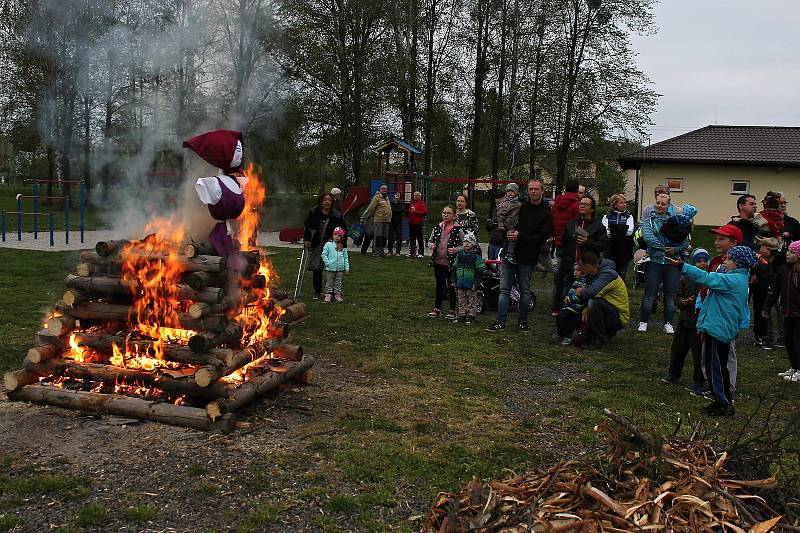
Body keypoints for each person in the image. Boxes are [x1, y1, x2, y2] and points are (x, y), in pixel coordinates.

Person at [668, 245, 758, 416]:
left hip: (719, 330)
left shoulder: (732, 281)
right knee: (713, 366)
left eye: (730, 259)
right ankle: (720, 400)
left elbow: (706, 278)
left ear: (739, 263)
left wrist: (683, 266)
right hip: (716, 328)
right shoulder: (734, 277)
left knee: (716, 367)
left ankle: (723, 404)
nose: (725, 260)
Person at [486, 179, 552, 332]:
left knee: (525, 291)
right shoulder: (521, 206)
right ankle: (500, 321)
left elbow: (542, 237)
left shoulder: (545, 212)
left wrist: (520, 236)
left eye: (536, 189)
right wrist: (501, 229)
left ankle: (522, 322)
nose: (533, 192)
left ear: (542, 190)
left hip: (528, 257)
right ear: (527, 191)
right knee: (504, 290)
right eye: (531, 189)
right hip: (510, 253)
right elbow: (507, 220)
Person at [183, 129, 248, 266]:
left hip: (233, 236)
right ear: (223, 153)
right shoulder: (212, 184)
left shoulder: (238, 181)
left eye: (240, 149)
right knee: (222, 265)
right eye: (236, 149)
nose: (240, 154)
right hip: (220, 238)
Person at [555, 250, 630, 349]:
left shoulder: (608, 274)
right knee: (579, 309)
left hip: (617, 316)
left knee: (593, 303)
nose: (583, 272)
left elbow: (590, 292)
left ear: (589, 266)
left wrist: (580, 291)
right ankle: (586, 334)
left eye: (583, 268)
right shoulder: (595, 273)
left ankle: (599, 339)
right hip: (606, 309)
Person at [637, 193, 689, 334]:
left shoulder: (676, 221)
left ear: (668, 205)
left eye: (663, 204)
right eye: (658, 203)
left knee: (671, 294)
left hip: (672, 263)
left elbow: (685, 241)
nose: (660, 205)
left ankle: (668, 323)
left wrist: (676, 249)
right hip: (654, 261)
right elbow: (648, 238)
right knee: (650, 293)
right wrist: (666, 248)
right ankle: (643, 321)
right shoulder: (649, 220)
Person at [662, 248, 710, 394]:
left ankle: (698, 380)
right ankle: (673, 373)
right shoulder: (685, 279)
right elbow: (676, 298)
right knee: (677, 348)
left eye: (704, 261)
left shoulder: (709, 279)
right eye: (698, 261)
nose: (702, 264)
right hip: (684, 320)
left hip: (699, 322)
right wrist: (683, 302)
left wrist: (696, 301)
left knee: (698, 353)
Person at [765, 239, 800, 383]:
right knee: (788, 340)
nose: (788, 253)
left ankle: (799, 370)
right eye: (788, 250)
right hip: (788, 311)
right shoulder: (783, 270)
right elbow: (775, 289)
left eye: (792, 252)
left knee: (798, 341)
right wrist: (767, 306)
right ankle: (794, 367)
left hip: (799, 313)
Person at [304, 193, 347, 299]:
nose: (327, 202)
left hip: (332, 245)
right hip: (317, 243)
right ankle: (317, 291)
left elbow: (344, 230)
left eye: (329, 200)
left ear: (332, 202)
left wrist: (342, 243)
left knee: (333, 269)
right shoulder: (314, 212)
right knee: (317, 268)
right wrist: (307, 239)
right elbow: (308, 227)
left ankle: (332, 291)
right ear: (321, 201)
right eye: (325, 200)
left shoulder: (336, 215)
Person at [550, 179, 582, 315]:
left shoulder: (556, 204)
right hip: (571, 242)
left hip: (558, 241)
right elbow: (577, 226)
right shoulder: (576, 205)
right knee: (570, 274)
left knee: (559, 274)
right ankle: (566, 304)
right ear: (576, 190)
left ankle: (556, 305)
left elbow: (553, 221)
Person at [561, 195, 608, 281]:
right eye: (581, 204)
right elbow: (564, 244)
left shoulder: (598, 226)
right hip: (570, 267)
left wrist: (588, 242)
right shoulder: (571, 224)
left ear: (592, 209)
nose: (582, 206)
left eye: (586, 204)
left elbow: (603, 245)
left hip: (588, 268)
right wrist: (566, 261)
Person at [428, 205, 462, 319]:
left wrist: (456, 249)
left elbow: (466, 245)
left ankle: (452, 310)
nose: (446, 215)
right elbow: (430, 241)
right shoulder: (437, 227)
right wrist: (431, 245)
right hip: (438, 262)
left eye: (448, 213)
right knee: (439, 285)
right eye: (444, 213)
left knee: (452, 286)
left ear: (454, 215)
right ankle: (437, 309)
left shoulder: (458, 229)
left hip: (452, 263)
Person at [451, 233, 485, 325]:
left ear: (473, 244)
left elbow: (480, 270)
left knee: (471, 300)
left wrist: (476, 283)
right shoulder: (459, 256)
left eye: (469, 242)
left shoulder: (476, 257)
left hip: (471, 284)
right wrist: (453, 280)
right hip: (460, 283)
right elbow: (454, 268)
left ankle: (471, 316)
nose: (466, 243)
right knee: (461, 299)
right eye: (465, 241)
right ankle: (461, 315)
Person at [602, 194, 635, 280]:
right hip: (610, 248)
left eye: (625, 203)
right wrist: (620, 229)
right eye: (621, 203)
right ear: (615, 204)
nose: (624, 205)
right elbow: (605, 231)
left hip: (624, 248)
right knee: (608, 273)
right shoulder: (607, 216)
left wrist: (613, 230)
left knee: (621, 275)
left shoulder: (629, 216)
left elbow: (629, 231)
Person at [361, 184, 392, 257]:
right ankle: (376, 253)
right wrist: (374, 216)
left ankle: (381, 251)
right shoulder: (377, 198)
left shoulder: (387, 198)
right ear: (380, 189)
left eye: (386, 188)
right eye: (383, 188)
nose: (385, 189)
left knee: (384, 237)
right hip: (379, 220)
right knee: (378, 237)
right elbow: (371, 208)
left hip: (386, 220)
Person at [321, 227, 350, 302]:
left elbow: (346, 257)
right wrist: (328, 263)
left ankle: (337, 294)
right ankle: (328, 294)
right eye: (335, 234)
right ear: (332, 235)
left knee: (338, 282)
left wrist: (347, 268)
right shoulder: (328, 244)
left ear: (341, 237)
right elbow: (324, 255)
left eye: (339, 235)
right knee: (329, 282)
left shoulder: (343, 247)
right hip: (330, 268)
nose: (337, 236)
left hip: (340, 268)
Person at [495, 183, 521, 262]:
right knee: (512, 237)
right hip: (507, 224)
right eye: (508, 191)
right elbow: (500, 215)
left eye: (512, 191)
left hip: (515, 223)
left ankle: (511, 252)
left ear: (516, 193)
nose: (510, 193)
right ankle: (510, 253)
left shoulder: (517, 203)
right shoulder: (505, 203)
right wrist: (501, 225)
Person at [408, 191, 428, 258]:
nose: (415, 197)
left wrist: (416, 212)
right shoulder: (412, 203)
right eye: (414, 195)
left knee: (419, 238)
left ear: (420, 196)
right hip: (411, 222)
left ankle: (421, 253)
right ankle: (412, 252)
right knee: (412, 238)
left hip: (418, 223)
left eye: (417, 195)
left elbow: (424, 212)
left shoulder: (422, 203)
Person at [388, 191, 405, 256]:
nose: (397, 195)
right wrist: (398, 210)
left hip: (399, 222)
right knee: (390, 237)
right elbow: (392, 209)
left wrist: (396, 210)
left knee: (399, 237)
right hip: (391, 222)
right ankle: (390, 251)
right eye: (396, 194)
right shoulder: (391, 202)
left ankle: (398, 252)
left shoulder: (401, 203)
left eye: (398, 194)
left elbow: (402, 210)